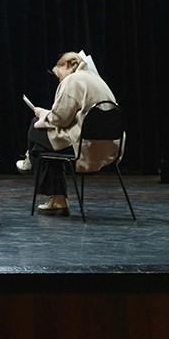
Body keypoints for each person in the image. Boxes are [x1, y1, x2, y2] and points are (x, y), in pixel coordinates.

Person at [27, 51, 122, 216]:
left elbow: (60, 119)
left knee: (36, 128)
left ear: (65, 65)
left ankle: (32, 162)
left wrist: (42, 113)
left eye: (58, 76)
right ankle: (56, 198)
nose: (59, 80)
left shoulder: (73, 80)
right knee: (45, 146)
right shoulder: (96, 79)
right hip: (110, 146)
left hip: (84, 147)